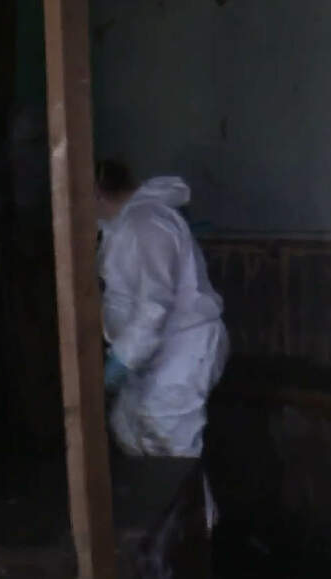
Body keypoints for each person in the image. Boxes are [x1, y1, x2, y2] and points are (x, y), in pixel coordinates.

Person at [95, 159, 229, 458]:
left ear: (96, 192)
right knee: (130, 431)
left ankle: (189, 490)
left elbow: (153, 306)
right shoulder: (128, 223)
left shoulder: (146, 223)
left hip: (182, 351)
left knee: (171, 451)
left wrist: (121, 360)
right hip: (156, 353)